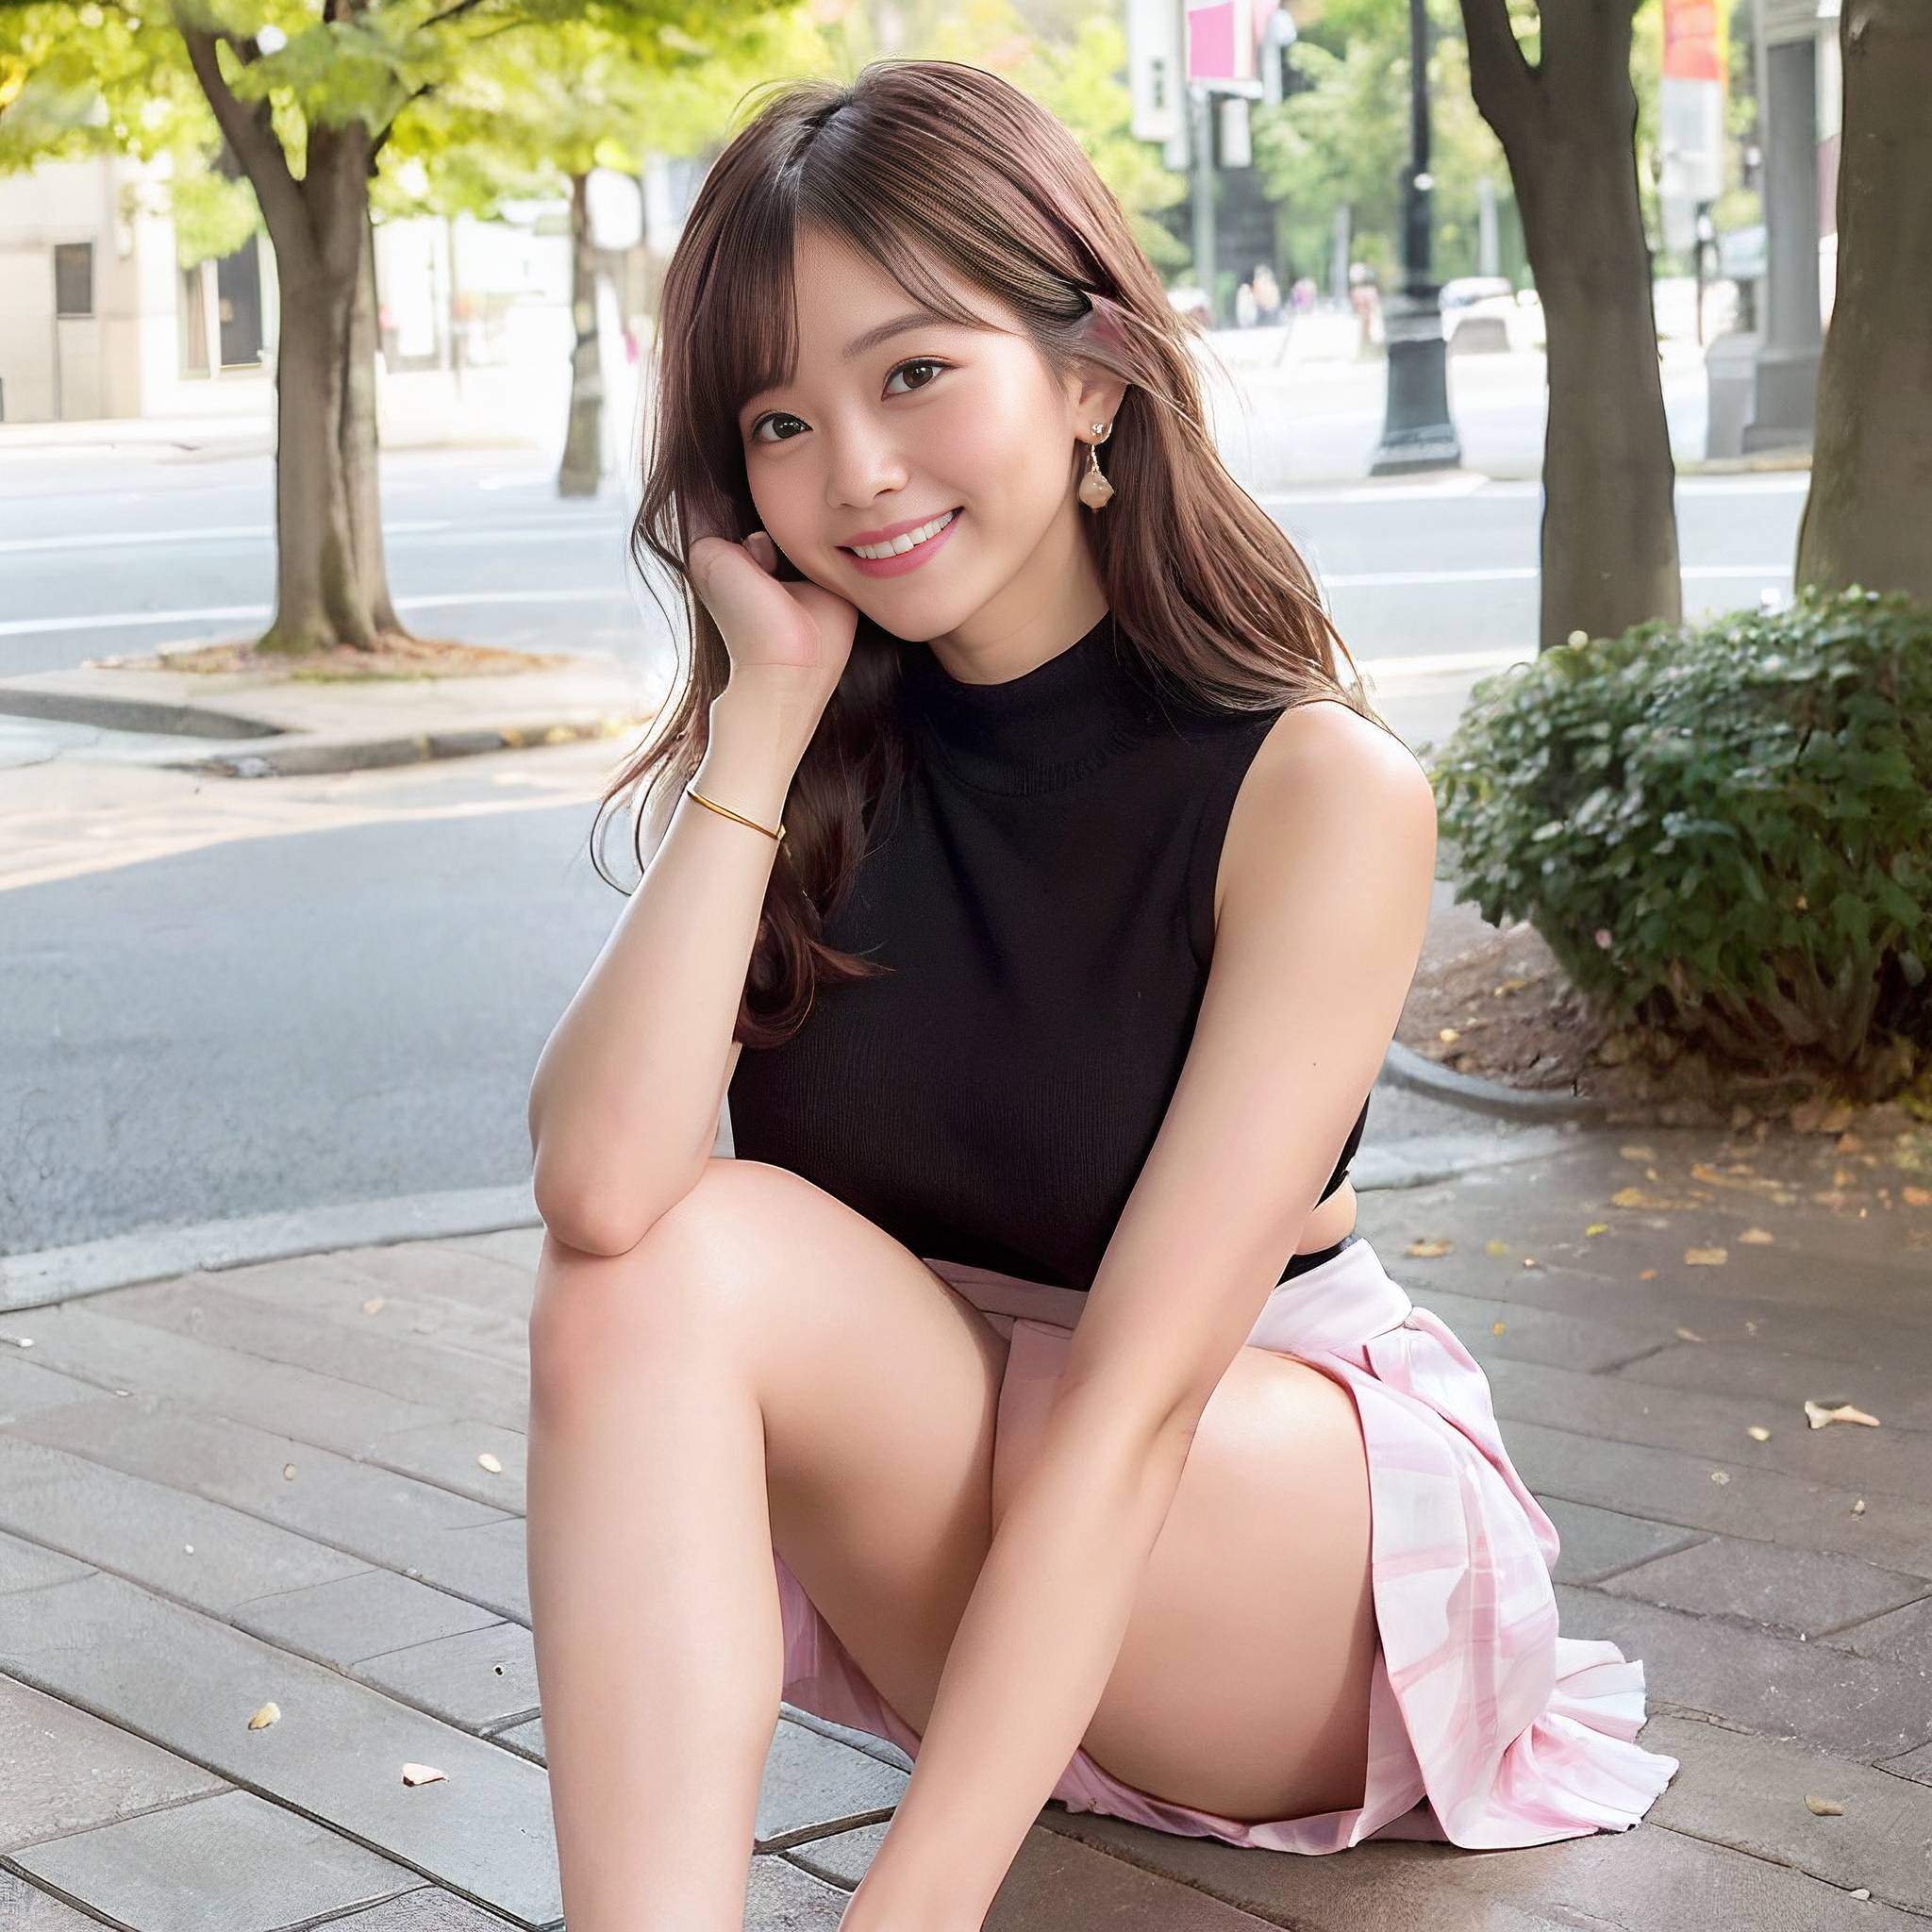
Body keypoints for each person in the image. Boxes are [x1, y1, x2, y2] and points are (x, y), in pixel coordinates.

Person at [523, 58, 1679, 1932]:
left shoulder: (1312, 793)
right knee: (644, 1266)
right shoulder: (812, 763)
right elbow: (596, 1185)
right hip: (999, 1543)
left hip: (1274, 1554)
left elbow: (1134, 1407)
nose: (856, 470)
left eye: (914, 372)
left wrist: (908, 1910)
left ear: (1090, 376)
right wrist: (762, 717)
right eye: (780, 419)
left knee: (1026, 1377)